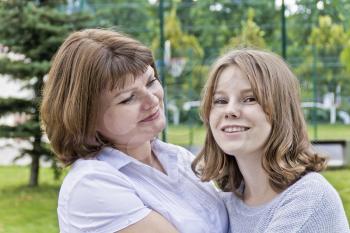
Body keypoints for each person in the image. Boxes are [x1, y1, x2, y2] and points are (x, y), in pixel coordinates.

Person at [40, 28, 228, 233]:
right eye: (128, 98)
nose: (152, 100)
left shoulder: (178, 159)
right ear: (86, 116)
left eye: (150, 81)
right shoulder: (92, 185)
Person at [192, 48, 350, 233]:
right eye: (220, 101)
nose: (230, 110)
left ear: (281, 110)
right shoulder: (225, 204)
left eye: (249, 99)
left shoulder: (310, 198)